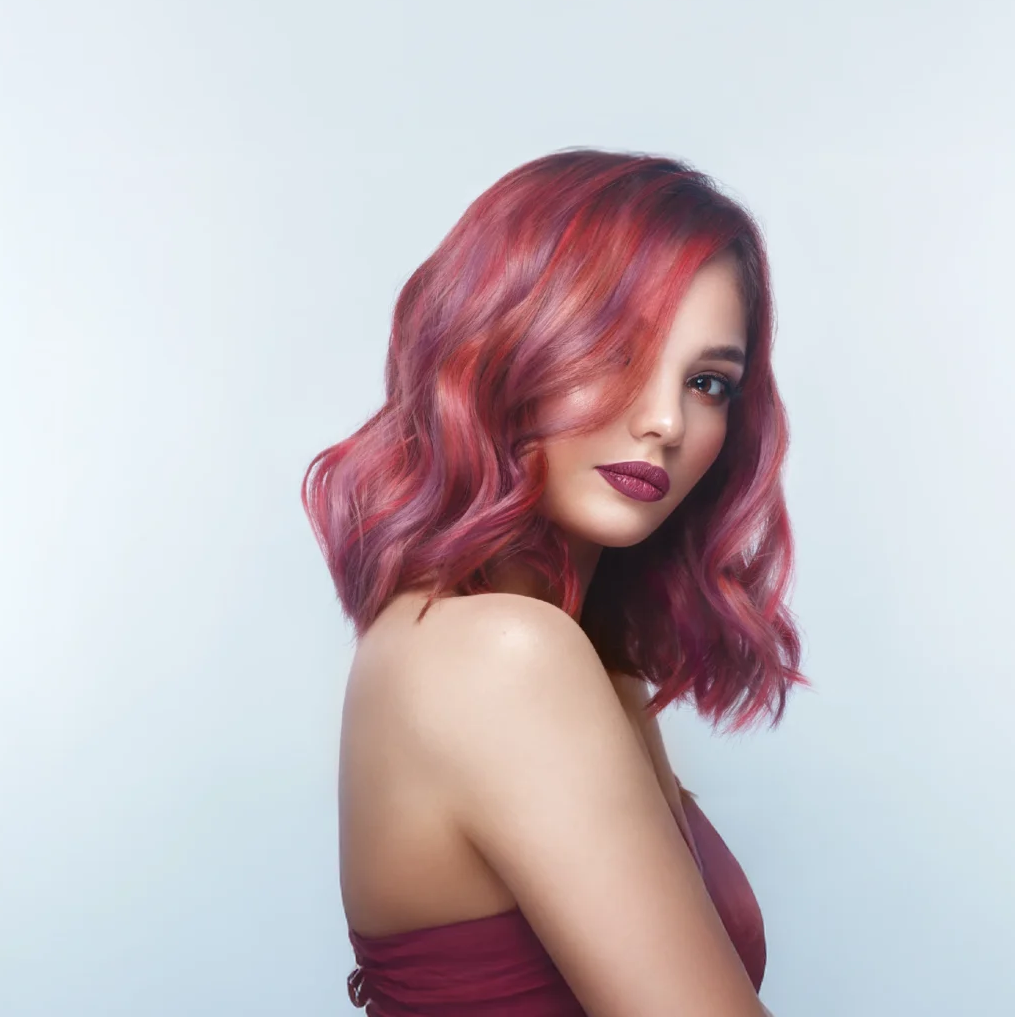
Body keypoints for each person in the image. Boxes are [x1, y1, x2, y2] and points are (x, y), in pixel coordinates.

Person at [302, 149, 804, 1016]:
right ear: (499, 347)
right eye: (617, 355)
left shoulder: (583, 660)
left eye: (708, 382)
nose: (665, 421)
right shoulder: (498, 653)